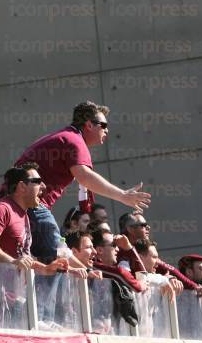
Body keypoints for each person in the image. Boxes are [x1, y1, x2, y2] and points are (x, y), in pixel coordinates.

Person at [12, 101, 150, 265]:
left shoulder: (65, 137)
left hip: (18, 203)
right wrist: (123, 195)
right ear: (89, 125)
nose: (107, 130)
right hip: (30, 205)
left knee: (35, 261)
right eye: (103, 125)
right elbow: (85, 176)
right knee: (60, 261)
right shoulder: (74, 140)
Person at [0, 163, 68, 274]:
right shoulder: (1, 209)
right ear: (22, 186)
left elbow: (23, 258)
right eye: (37, 182)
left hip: (16, 289)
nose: (44, 186)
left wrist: (45, 269)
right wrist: (12, 261)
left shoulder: (24, 213)